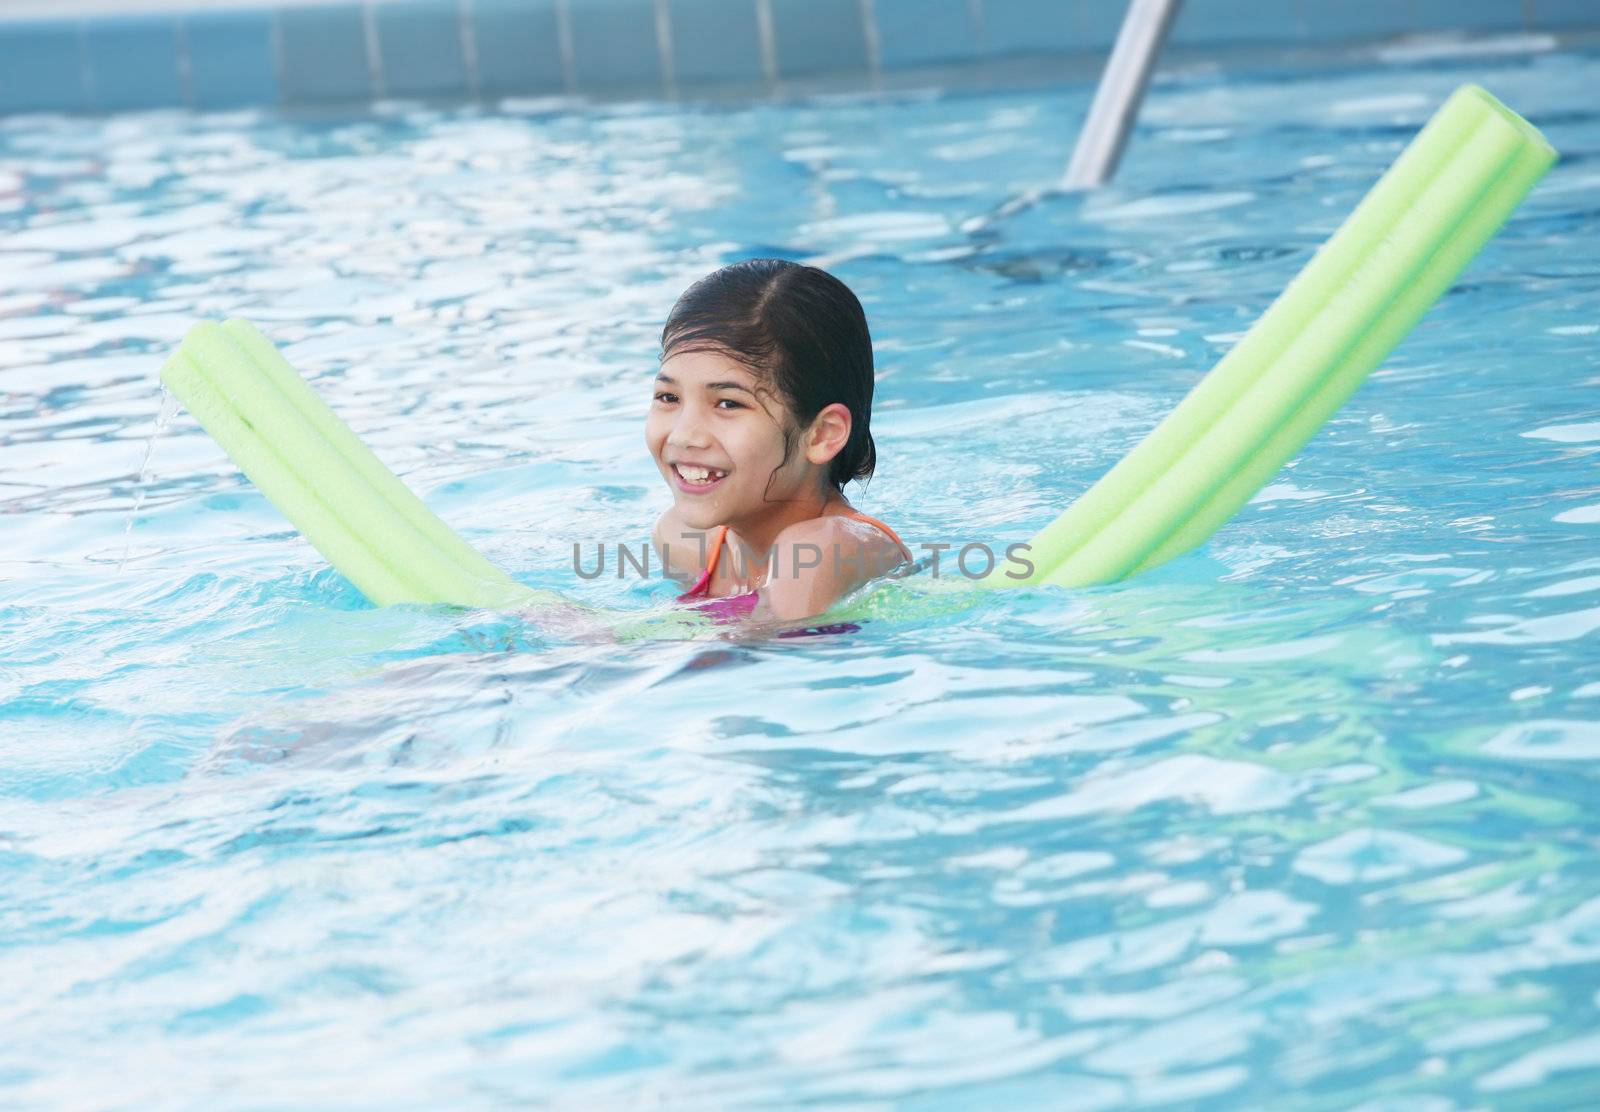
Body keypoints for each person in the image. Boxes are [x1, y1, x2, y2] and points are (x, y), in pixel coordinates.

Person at [647, 258, 913, 625]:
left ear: (822, 434)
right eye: (669, 397)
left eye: (728, 403)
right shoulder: (681, 540)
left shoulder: (826, 546)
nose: (683, 434)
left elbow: (751, 653)